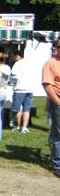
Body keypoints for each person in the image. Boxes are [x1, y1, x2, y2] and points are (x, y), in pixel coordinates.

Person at [42, 38, 60, 178]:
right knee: (58, 135)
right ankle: (57, 165)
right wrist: (58, 103)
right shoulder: (51, 64)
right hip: (58, 103)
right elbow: (48, 86)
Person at [10, 50, 33, 133]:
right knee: (27, 109)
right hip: (29, 88)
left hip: (20, 89)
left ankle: (19, 126)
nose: (12, 58)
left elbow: (14, 77)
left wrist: (10, 83)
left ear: (17, 56)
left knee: (17, 108)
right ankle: (24, 127)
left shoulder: (17, 64)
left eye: (13, 56)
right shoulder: (29, 63)